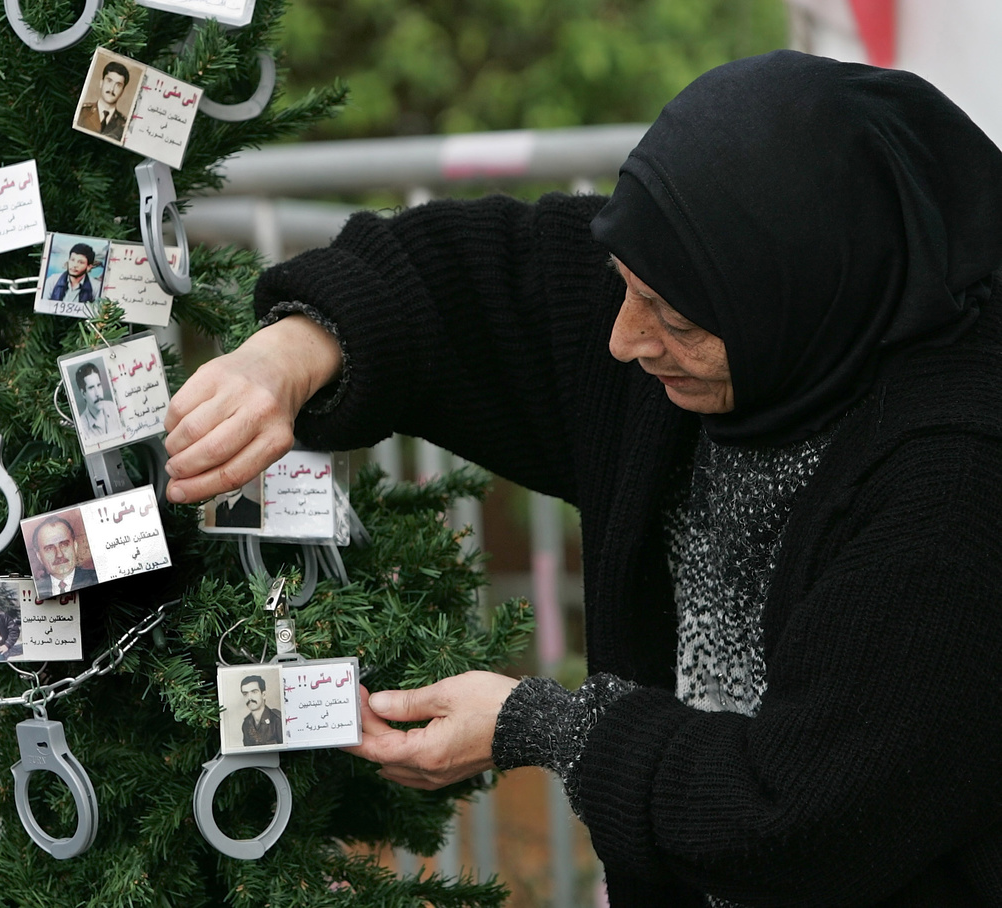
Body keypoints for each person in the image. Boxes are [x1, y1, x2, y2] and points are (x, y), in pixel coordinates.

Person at [162, 50, 1002, 906]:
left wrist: (543, 725)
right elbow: (457, 276)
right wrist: (289, 354)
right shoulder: (691, 297)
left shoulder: (956, 479)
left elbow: (799, 817)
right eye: (622, 287)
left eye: (672, 317)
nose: (625, 339)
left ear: (791, 297)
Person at [32, 516, 97, 596]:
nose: (59, 554)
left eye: (64, 544)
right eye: (49, 548)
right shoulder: (36, 590)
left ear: (75, 546)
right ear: (39, 556)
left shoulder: (96, 579)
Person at [77, 61, 131, 140]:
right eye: (109, 81)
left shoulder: (124, 124)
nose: (112, 89)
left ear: (122, 91)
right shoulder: (82, 112)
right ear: (101, 83)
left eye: (118, 85)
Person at [73, 362, 120, 441]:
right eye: (91, 388)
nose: (97, 394)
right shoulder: (82, 426)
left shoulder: (113, 408)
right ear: (83, 393)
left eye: (98, 385)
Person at [239, 675, 283, 747]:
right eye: (245, 693)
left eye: (254, 692)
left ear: (263, 695)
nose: (249, 697)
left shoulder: (277, 720)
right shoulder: (246, 724)